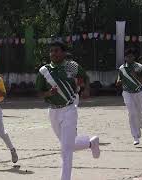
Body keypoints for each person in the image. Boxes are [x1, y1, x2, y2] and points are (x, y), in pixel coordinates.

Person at [35, 41, 100, 180]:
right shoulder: (44, 71)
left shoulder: (71, 66)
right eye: (51, 51)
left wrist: (86, 89)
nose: (54, 53)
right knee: (68, 145)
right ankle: (91, 143)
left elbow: (86, 77)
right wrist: (48, 93)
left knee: (65, 150)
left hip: (69, 109)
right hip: (53, 111)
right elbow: (39, 93)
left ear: (63, 53)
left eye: (57, 50)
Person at [116, 48, 142, 145]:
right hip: (127, 93)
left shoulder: (139, 67)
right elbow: (118, 80)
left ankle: (140, 122)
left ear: (134, 57)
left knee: (138, 112)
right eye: (127, 57)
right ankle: (135, 136)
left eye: (131, 56)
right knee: (131, 113)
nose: (130, 58)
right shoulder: (122, 68)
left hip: (138, 92)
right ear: (125, 58)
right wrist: (119, 82)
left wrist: (136, 75)